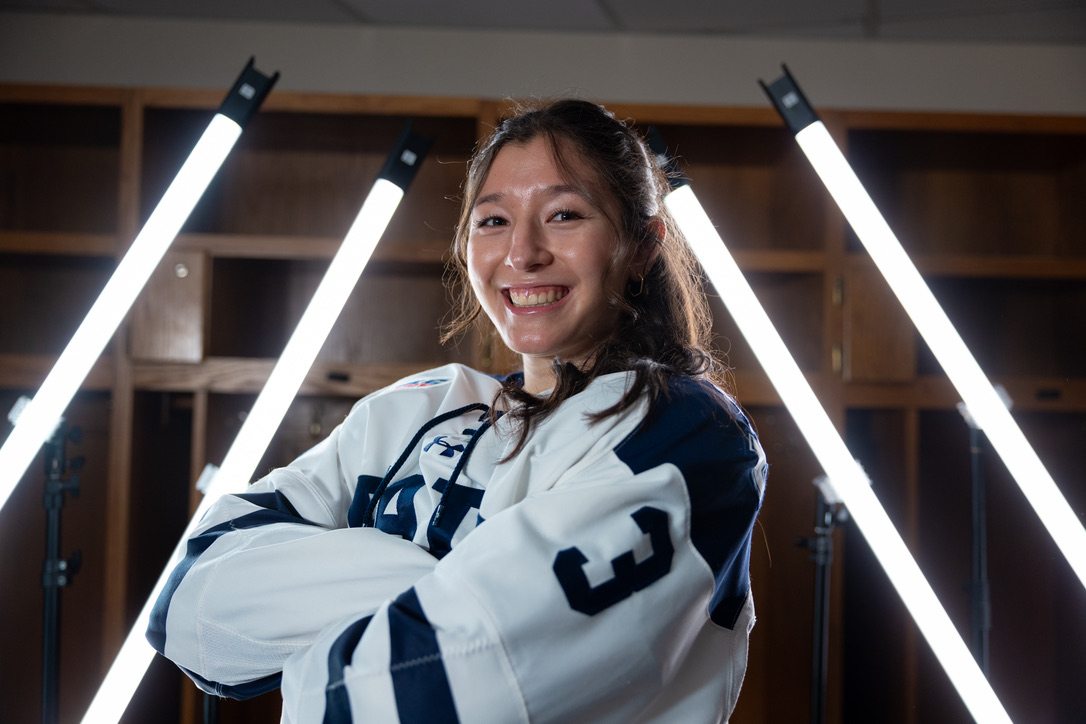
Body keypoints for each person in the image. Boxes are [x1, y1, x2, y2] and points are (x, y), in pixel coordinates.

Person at [148, 99, 767, 723]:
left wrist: (324, 620)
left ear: (642, 245)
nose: (522, 253)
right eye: (493, 220)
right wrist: (448, 585)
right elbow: (191, 607)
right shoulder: (416, 409)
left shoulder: (686, 431)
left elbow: (454, 684)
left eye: (564, 215)